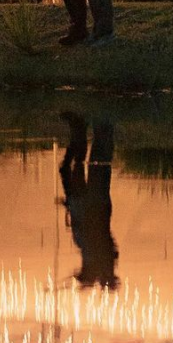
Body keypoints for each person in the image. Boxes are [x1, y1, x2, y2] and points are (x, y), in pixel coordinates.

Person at [59, 113, 119, 289]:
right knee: (97, 162)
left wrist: (86, 279)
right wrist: (87, 279)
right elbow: (98, 250)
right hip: (93, 206)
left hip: (83, 207)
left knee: (80, 165)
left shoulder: (101, 259)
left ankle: (80, 127)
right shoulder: (102, 258)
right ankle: (99, 122)